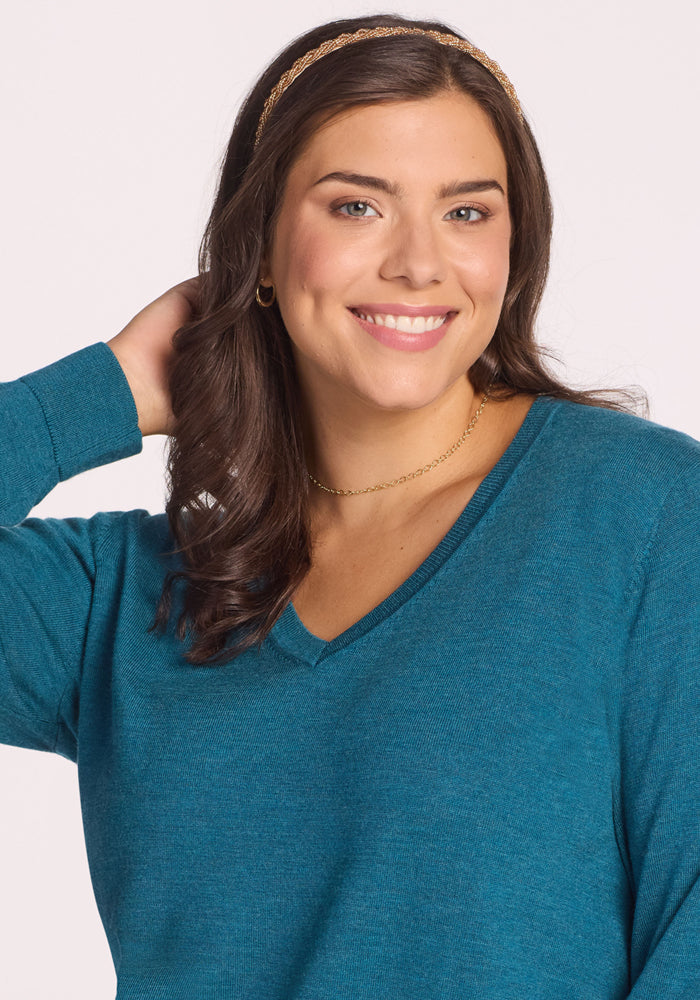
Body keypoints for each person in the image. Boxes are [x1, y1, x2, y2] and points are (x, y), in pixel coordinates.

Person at [1, 12, 698, 998]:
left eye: (466, 212)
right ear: (260, 251)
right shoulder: (120, 602)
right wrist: (102, 393)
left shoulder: (643, 517)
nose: (419, 261)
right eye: (356, 206)